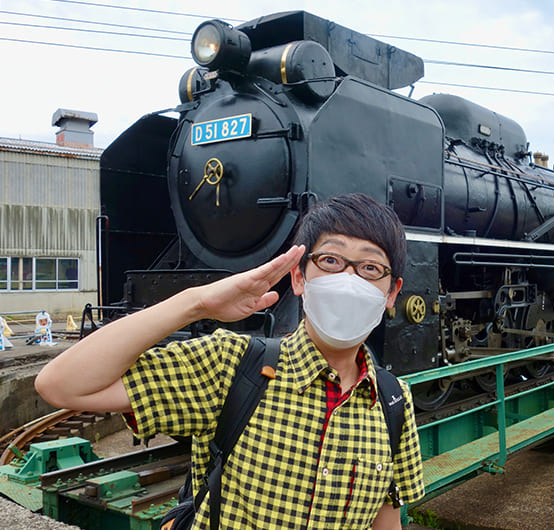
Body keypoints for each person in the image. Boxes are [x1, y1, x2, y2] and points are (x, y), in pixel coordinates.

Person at [35, 193, 425, 529]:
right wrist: (197, 303)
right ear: (299, 277)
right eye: (331, 261)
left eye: (371, 268)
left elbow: (385, 520)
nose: (349, 280)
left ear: (392, 293)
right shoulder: (230, 365)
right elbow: (60, 384)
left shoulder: (394, 402)